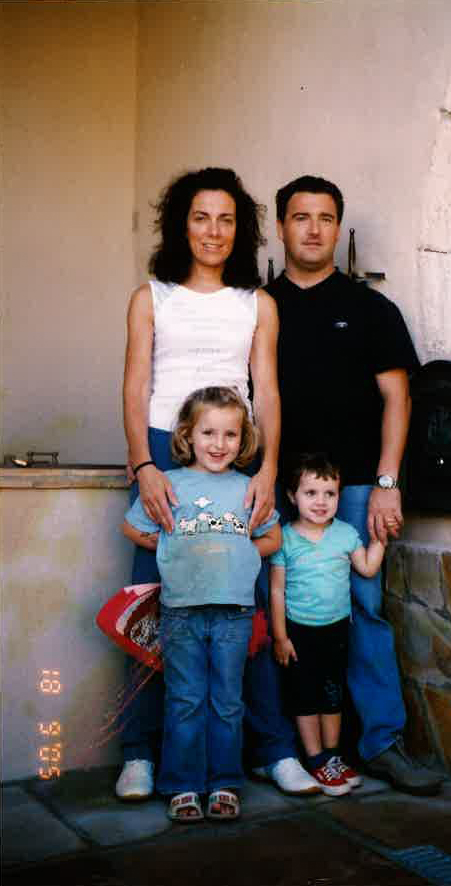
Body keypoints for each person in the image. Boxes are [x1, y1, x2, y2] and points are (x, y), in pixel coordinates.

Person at [116, 167, 315, 801]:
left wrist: (269, 469)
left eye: (226, 219)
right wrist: (143, 465)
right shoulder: (151, 297)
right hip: (162, 453)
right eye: (201, 217)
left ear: (241, 229)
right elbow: (135, 385)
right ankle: (140, 753)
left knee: (245, 601)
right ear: (182, 224)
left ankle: (273, 749)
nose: (213, 230)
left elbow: (268, 391)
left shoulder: (257, 304)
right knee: (153, 597)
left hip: (238, 454)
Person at [255, 175, 442, 795]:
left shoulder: (370, 309)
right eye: (300, 217)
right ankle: (278, 748)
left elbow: (397, 399)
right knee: (271, 612)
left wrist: (387, 482)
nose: (313, 229)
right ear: (280, 227)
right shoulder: (258, 307)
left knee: (363, 610)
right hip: (274, 489)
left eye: (325, 218)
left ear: (339, 227)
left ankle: (381, 743)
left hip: (356, 488)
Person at [122, 387, 281, 821]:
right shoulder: (170, 483)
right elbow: (131, 527)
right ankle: (183, 785)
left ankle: (224, 783)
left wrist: (239, 550)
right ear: (187, 435)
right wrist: (171, 547)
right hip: (181, 612)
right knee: (185, 699)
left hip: (234, 613)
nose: (219, 443)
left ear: (243, 439)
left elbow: (273, 537)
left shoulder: (248, 487)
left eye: (230, 434)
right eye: (208, 433)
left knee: (227, 701)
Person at [270, 453, 385, 796]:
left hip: (336, 631)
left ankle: (333, 756)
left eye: (330, 494)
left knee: (332, 695)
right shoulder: (284, 538)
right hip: (299, 632)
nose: (321, 502)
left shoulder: (346, 534)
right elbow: (276, 591)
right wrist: (280, 637)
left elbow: (367, 568)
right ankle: (315, 758)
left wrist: (380, 538)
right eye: (311, 493)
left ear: (339, 496)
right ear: (292, 496)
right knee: (305, 698)